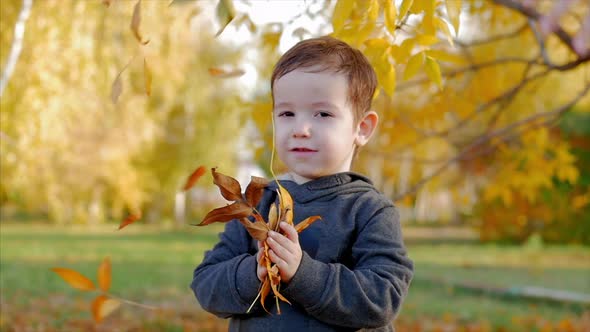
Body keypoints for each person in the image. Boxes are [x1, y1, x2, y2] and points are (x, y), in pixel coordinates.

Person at [191, 36, 414, 331]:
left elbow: (381, 298)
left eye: (322, 113)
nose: (300, 129)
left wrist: (302, 273)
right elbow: (206, 285)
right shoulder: (256, 203)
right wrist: (252, 273)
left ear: (362, 128)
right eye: (287, 114)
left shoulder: (369, 210)